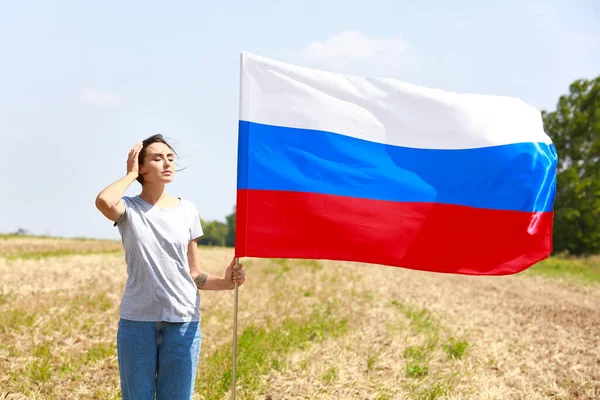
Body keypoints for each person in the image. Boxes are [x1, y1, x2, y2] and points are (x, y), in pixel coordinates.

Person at [95, 134, 245, 400]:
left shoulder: (187, 210)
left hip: (183, 324)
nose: (167, 163)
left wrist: (225, 281)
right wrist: (130, 175)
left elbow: (194, 274)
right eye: (157, 158)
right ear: (142, 167)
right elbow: (104, 201)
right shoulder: (128, 209)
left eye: (170, 158)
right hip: (137, 324)